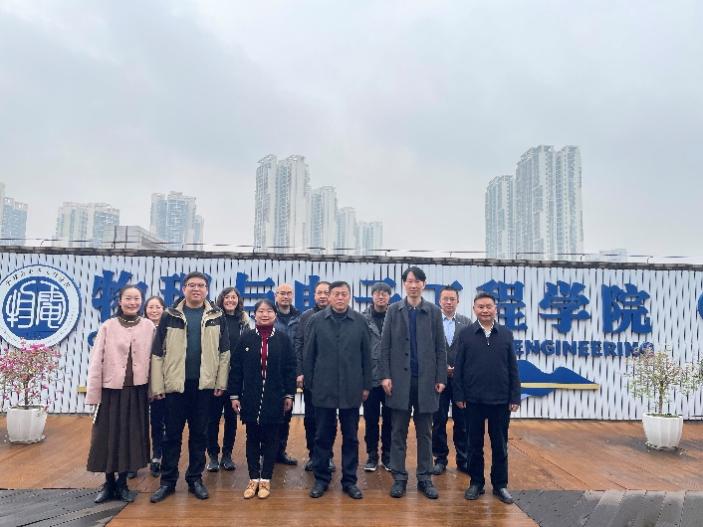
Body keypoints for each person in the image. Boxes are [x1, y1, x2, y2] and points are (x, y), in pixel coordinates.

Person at [149, 272, 230, 503]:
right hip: (175, 386)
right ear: (184, 288)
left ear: (207, 289)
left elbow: (224, 353)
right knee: (171, 436)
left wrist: (220, 382)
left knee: (199, 435)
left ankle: (195, 479)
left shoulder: (217, 316)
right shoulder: (170, 315)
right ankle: (167, 482)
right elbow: (157, 353)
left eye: (201, 285)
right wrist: (158, 385)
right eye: (192, 285)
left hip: (203, 386)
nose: (196, 289)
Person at [380, 266, 447, 500]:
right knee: (397, 431)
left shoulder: (434, 312)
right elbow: (385, 346)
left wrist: (440, 377)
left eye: (418, 281)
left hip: (426, 381)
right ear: (404, 284)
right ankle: (399, 477)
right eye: (409, 281)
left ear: (424, 284)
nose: (413, 285)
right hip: (399, 382)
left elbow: (440, 348)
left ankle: (424, 478)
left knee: (425, 433)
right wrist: (385, 375)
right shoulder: (394, 310)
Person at [86, 285, 154, 503]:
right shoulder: (108, 326)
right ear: (120, 301)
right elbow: (96, 361)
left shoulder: (148, 326)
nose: (132, 302)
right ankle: (108, 483)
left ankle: (123, 483)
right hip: (111, 391)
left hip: (137, 391)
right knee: (108, 436)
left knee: (129, 437)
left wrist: (154, 390)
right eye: (128, 298)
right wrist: (93, 393)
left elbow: (155, 361)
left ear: (141, 301)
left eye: (136, 298)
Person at [305, 281, 371, 500]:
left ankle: (349, 481)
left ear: (349, 296)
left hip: (351, 388)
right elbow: (309, 354)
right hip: (324, 388)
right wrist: (310, 385)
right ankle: (321, 479)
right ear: (330, 297)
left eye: (344, 294)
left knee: (351, 437)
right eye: (336, 294)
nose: (340, 298)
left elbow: (366, 356)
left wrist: (366, 385)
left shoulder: (360, 321)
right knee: (322, 436)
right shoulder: (316, 321)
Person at [454, 292, 521, 505]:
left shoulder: (506, 334)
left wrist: (515, 396)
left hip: (500, 401)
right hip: (473, 400)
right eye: (481, 307)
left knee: (500, 445)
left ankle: (500, 485)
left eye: (488, 306)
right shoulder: (466, 334)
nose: (485, 310)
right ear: (474, 309)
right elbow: (459, 368)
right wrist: (459, 395)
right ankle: (476, 483)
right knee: (474, 444)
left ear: (495, 309)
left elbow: (512, 368)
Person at [229, 299, 296, 499]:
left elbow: (290, 369)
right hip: (251, 397)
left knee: (272, 438)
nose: (264, 314)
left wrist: (289, 394)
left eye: (268, 311)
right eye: (260, 311)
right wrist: (234, 395)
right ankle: (253, 478)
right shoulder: (246, 338)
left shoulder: (283, 339)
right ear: (255, 315)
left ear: (275, 315)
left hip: (275, 397)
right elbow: (236, 368)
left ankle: (266, 479)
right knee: (252, 438)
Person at [206, 287, 252, 473]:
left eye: (234, 297)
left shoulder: (244, 321)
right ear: (222, 299)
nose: (230, 300)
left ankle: (227, 455)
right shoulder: (215, 318)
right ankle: (212, 456)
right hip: (216, 375)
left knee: (232, 418)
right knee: (212, 418)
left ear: (238, 300)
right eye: (227, 297)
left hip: (236, 377)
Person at [293, 281, 337, 472]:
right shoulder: (306, 316)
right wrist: (300, 371)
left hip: (333, 378)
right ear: (314, 295)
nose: (323, 296)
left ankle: (328, 456)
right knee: (311, 418)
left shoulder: (338, 316)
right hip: (311, 377)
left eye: (326, 292)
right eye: (319, 293)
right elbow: (299, 344)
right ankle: (313, 455)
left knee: (329, 419)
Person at [432, 286, 471, 475]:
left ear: (458, 301)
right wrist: (441, 368)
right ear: (439, 301)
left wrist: (458, 369)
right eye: (445, 299)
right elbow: (427, 350)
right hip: (438, 380)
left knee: (462, 422)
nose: (448, 302)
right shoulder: (432, 322)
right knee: (438, 421)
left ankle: (463, 459)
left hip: (460, 381)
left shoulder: (467, 323)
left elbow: (470, 351)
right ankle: (440, 459)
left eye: (452, 299)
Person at [361, 281, 393, 472]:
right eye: (378, 293)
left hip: (391, 378)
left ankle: (387, 456)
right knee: (371, 420)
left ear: (389, 297)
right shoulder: (362, 318)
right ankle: (372, 456)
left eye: (385, 293)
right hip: (370, 378)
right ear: (372, 296)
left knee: (390, 420)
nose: (381, 296)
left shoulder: (396, 316)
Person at [273, 283, 301, 466]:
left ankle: (280, 452)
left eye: (288, 293)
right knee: (269, 415)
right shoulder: (269, 315)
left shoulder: (300, 317)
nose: (285, 296)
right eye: (282, 293)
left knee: (286, 414)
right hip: (271, 372)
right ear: (276, 296)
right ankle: (267, 452)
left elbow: (301, 345)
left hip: (290, 373)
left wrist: (299, 372)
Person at [143, 295, 167, 478]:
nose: (154, 310)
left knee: (159, 422)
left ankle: (158, 456)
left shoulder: (168, 329)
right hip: (141, 382)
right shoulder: (141, 328)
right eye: (151, 307)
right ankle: (136, 460)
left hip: (162, 384)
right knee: (139, 423)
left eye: (158, 307)